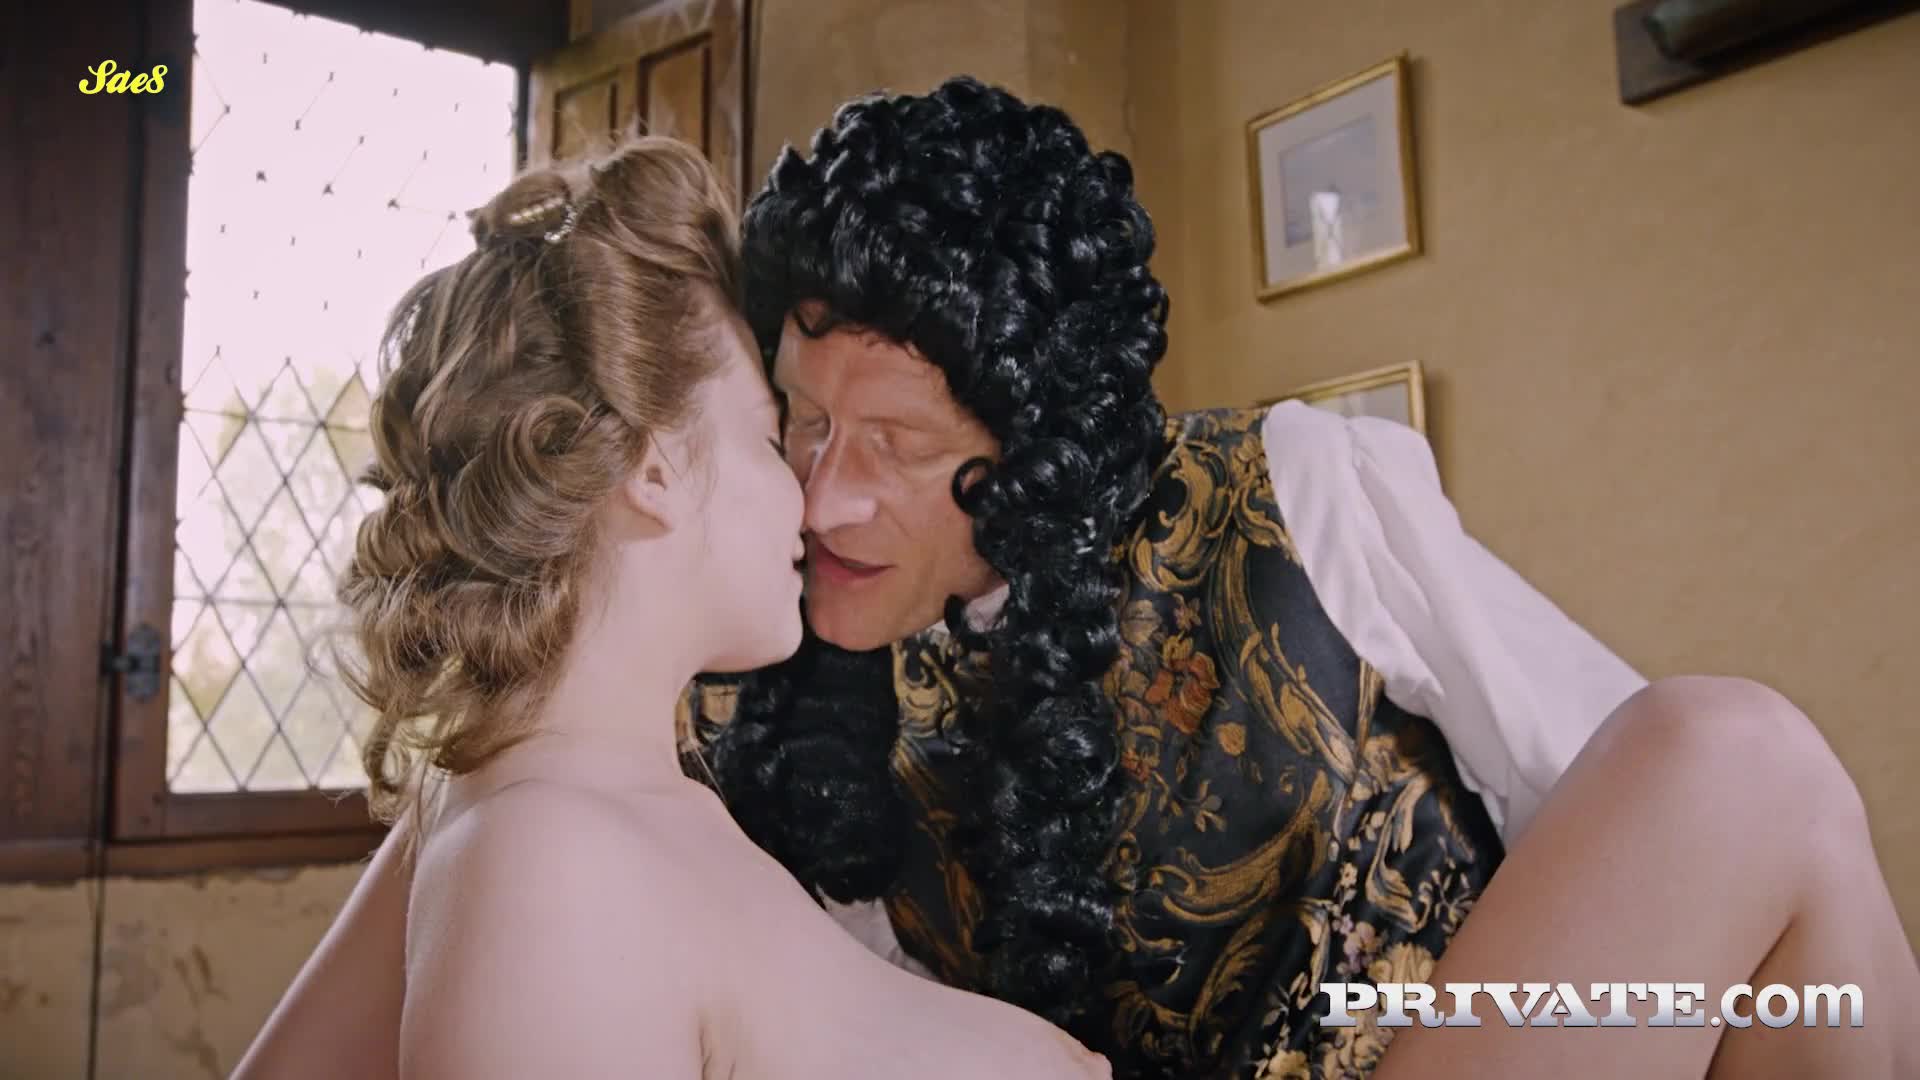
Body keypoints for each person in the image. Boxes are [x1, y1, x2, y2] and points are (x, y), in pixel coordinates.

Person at [240, 82, 1920, 1080]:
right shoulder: (639, 776)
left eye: (894, 443)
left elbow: (1653, 871)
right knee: (1751, 769)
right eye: (791, 426)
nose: (823, 496)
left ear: (1030, 443)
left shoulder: (1299, 494)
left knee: (1741, 773)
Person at [232, 135, 1109, 1079]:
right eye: (774, 436)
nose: (810, 504)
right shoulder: (556, 859)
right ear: (651, 468)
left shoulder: (525, 807)